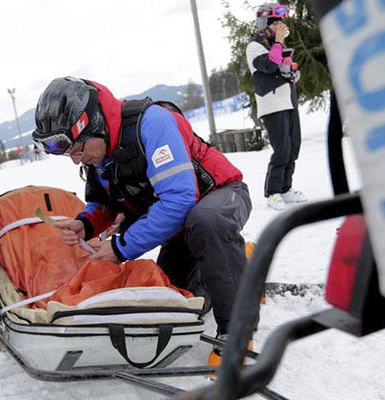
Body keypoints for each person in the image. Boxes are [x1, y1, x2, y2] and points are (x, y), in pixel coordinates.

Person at [32, 77, 252, 363]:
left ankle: (237, 329)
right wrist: (84, 224)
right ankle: (240, 264)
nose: (77, 160)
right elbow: (104, 203)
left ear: (95, 124)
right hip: (182, 229)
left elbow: (179, 199)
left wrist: (121, 248)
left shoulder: (152, 123)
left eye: (78, 149)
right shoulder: (98, 154)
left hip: (221, 199)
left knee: (207, 222)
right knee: (178, 302)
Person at [246, 2, 307, 210]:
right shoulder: (254, 47)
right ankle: (273, 193)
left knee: (293, 147)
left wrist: (292, 73)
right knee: (281, 149)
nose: (280, 26)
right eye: (276, 23)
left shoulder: (276, 46)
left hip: (288, 102)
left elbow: (283, 70)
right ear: (265, 24)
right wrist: (280, 42)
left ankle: (285, 188)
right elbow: (270, 65)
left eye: (281, 23)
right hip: (272, 105)